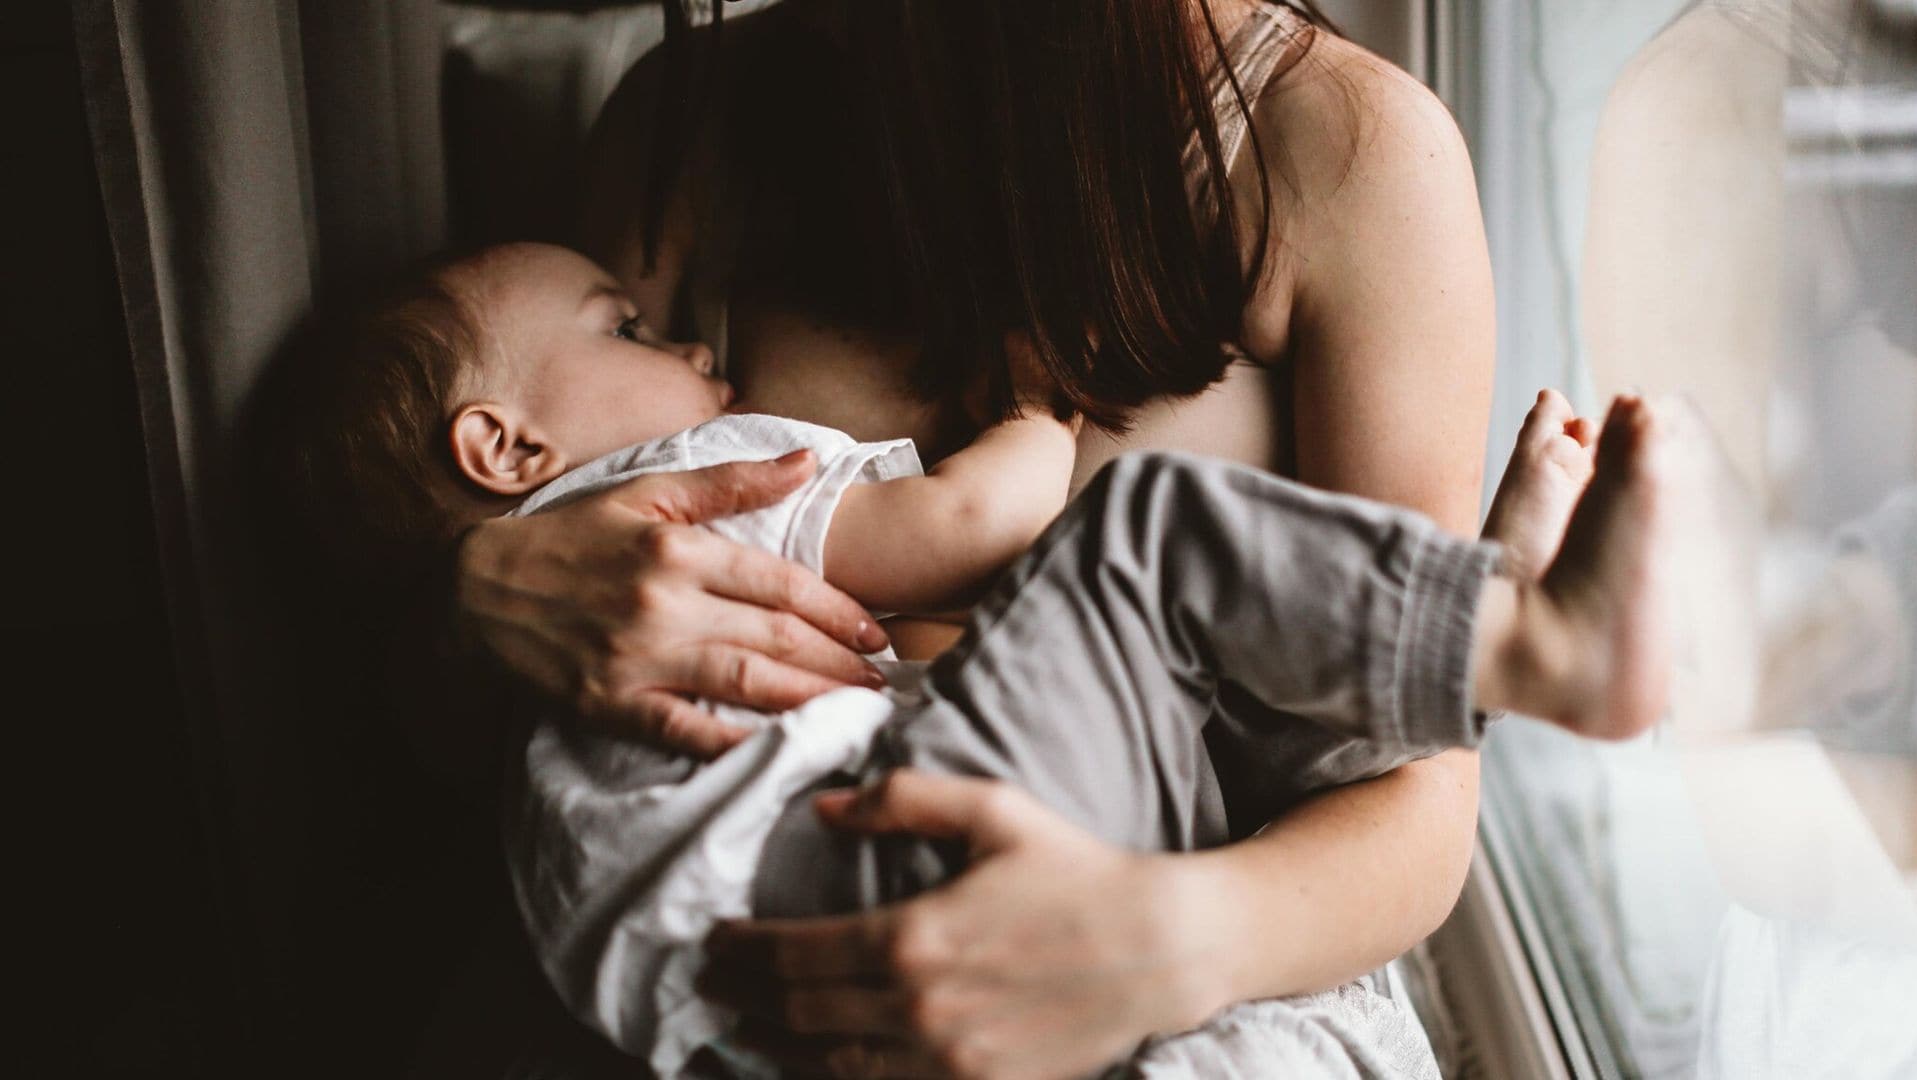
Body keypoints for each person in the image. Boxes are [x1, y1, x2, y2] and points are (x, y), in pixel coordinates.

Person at [289, 239, 1690, 1076]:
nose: (690, 343)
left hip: (770, 986)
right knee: (1148, 535)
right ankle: (1524, 629)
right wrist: (1037, 397)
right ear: (505, 448)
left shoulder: (1371, 166)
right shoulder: (675, 482)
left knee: (1268, 715)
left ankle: (1491, 616)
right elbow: (975, 522)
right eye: (630, 328)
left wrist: (1172, 940)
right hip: (880, 857)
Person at [446, 1, 1501, 1074]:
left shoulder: (1349, 151)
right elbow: (515, 484)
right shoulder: (688, 123)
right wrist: (483, 583)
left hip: (1192, 960)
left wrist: (1159, 938)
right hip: (784, 934)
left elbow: (1420, 798)